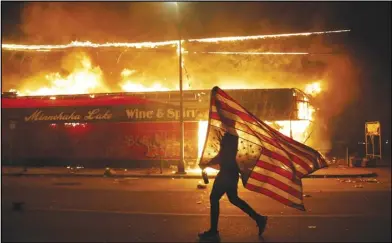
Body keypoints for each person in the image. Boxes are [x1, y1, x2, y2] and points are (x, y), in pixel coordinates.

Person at [198, 133, 268, 241]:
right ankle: (259, 218)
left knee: (214, 198)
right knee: (233, 199)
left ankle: (213, 232)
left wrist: (207, 163)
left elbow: (223, 156)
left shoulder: (230, 135)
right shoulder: (231, 134)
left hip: (227, 173)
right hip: (231, 172)